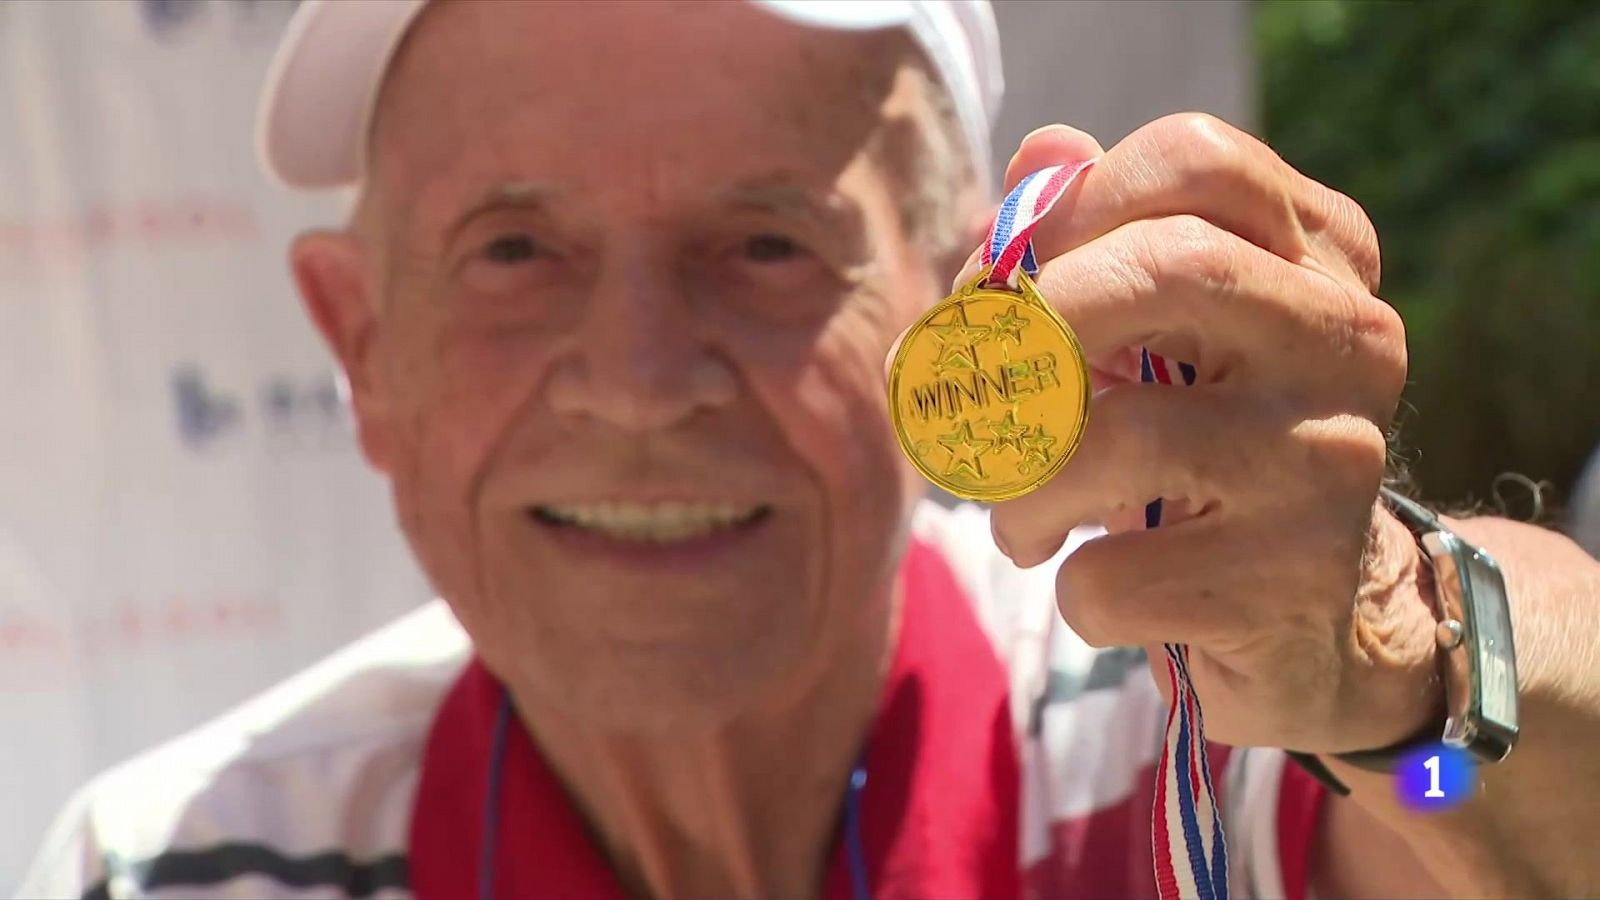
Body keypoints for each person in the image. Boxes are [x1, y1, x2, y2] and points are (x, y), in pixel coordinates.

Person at [20, 1, 1600, 898]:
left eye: (766, 246)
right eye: (513, 252)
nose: (641, 382)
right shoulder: (171, 869)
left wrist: (1404, 669)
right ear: (362, 346)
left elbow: (1521, 831)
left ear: (957, 297)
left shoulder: (1204, 744)